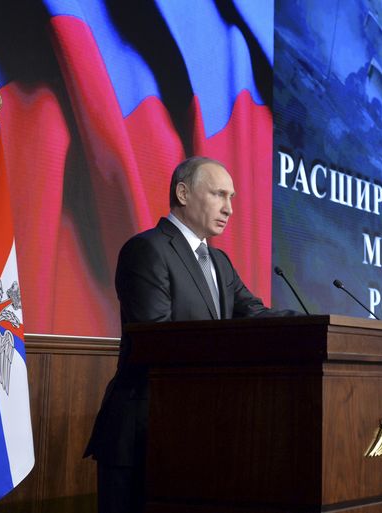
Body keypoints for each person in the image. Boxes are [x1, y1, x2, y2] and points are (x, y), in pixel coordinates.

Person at [84, 157, 297, 513]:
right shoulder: (148, 249)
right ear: (183, 192)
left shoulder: (220, 262)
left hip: (198, 431)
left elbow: (257, 316)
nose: (229, 208)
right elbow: (156, 339)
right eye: (218, 194)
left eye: (232, 197)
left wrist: (318, 324)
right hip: (145, 431)